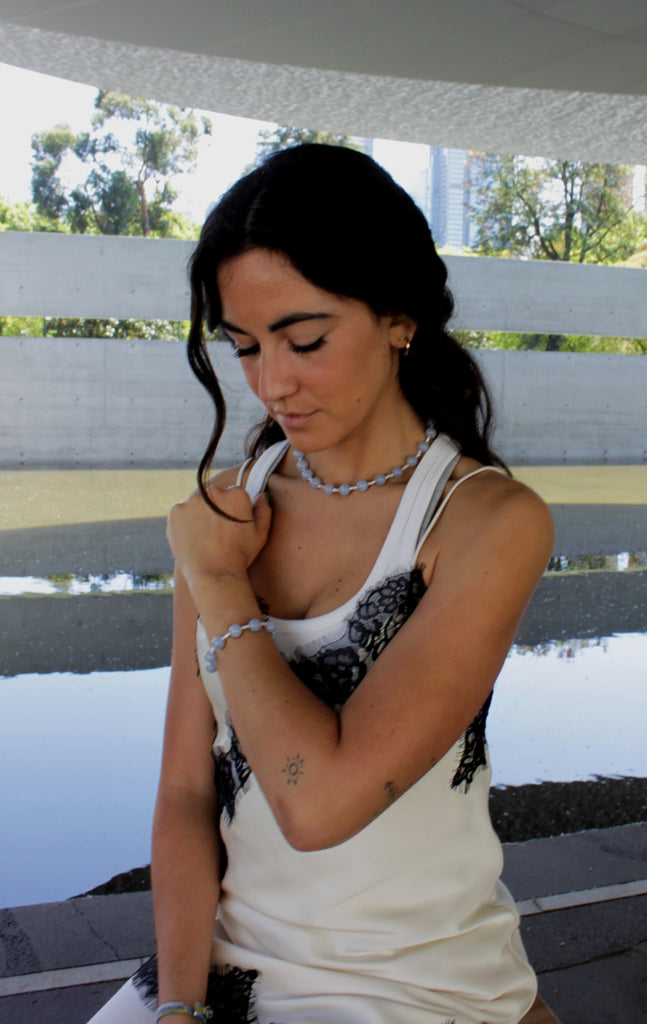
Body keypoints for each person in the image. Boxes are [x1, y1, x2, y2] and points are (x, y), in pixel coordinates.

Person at [89, 144, 553, 1024]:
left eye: (305, 340)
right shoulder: (227, 512)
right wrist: (180, 1009)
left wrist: (223, 587)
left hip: (405, 974)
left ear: (396, 315)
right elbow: (187, 792)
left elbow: (319, 804)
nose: (273, 383)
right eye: (244, 347)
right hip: (221, 962)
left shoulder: (485, 523)